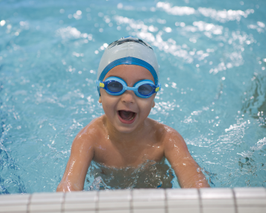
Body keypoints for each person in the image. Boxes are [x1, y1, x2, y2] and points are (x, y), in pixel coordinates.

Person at [56, 36, 210, 192]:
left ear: (153, 98)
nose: (128, 98)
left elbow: (195, 183)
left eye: (143, 89)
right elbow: (69, 187)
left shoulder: (166, 139)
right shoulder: (89, 139)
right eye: (115, 86)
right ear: (100, 94)